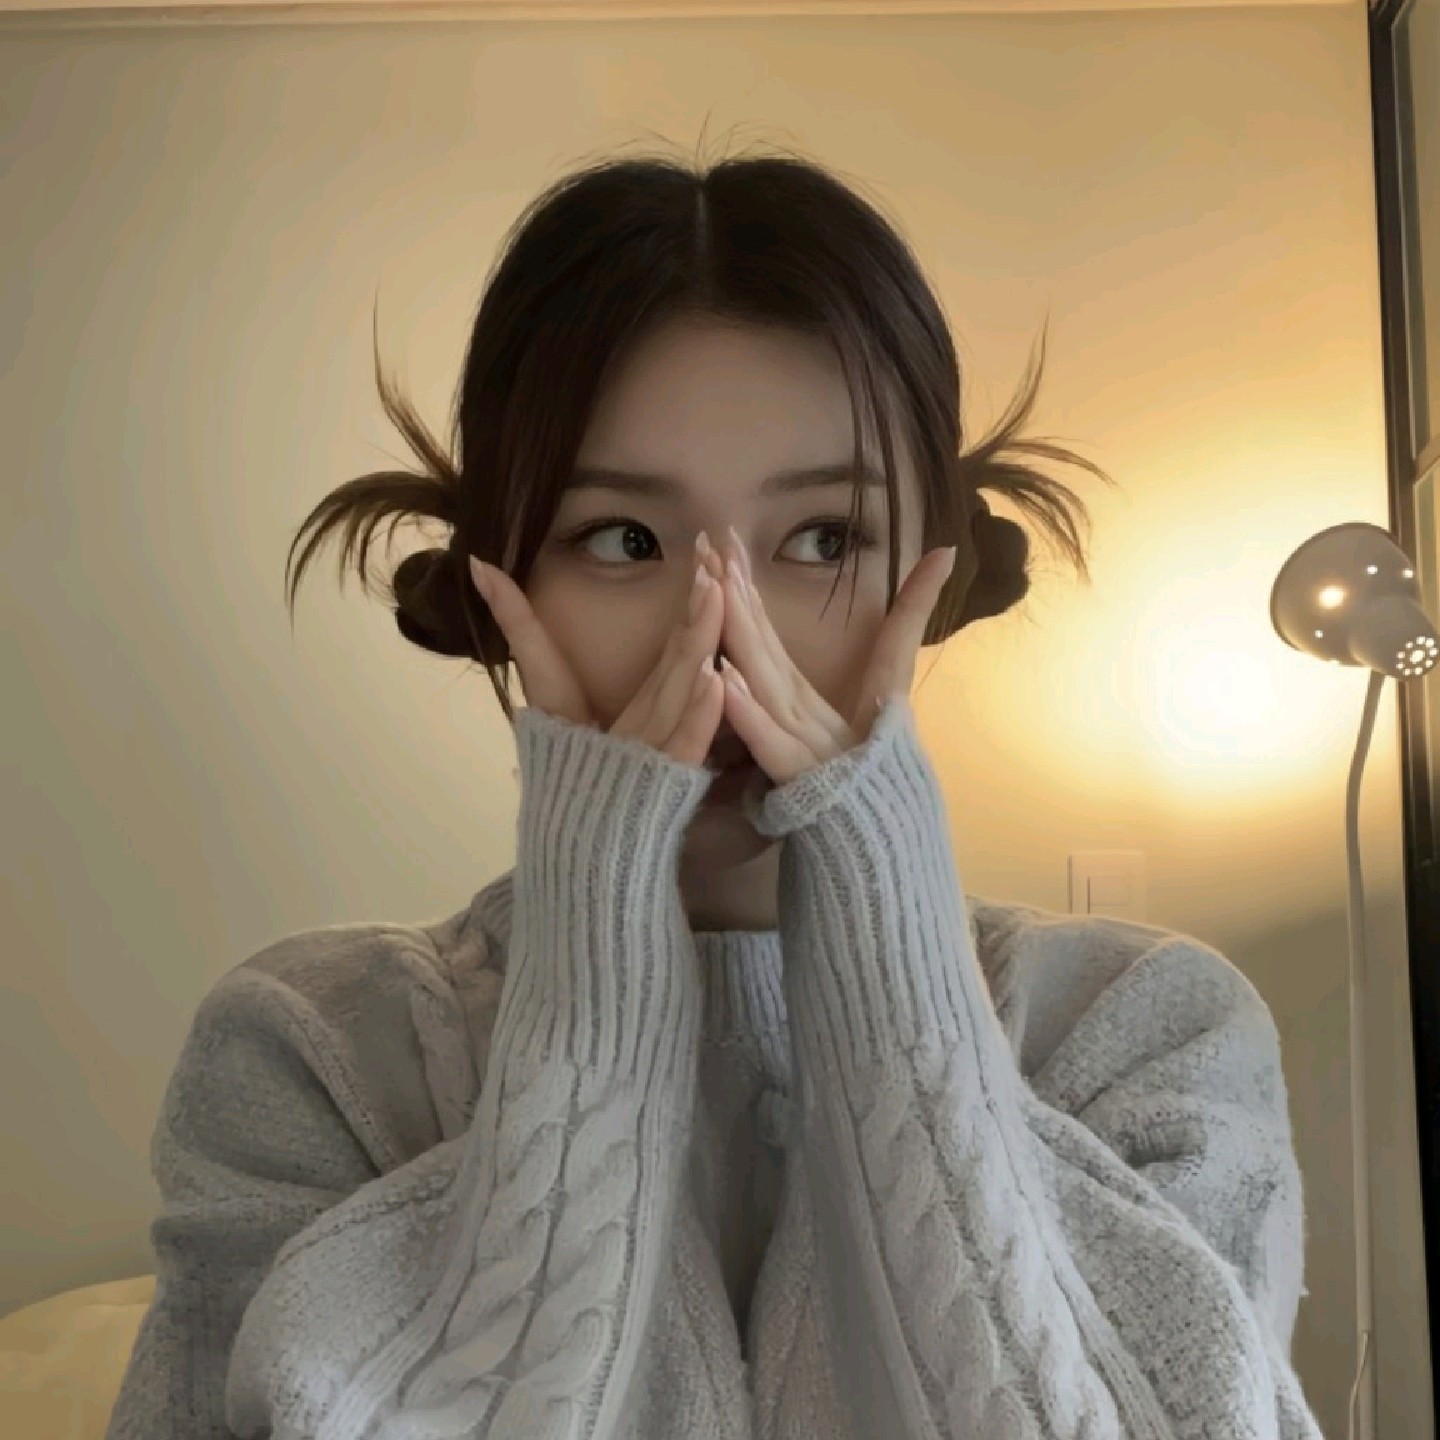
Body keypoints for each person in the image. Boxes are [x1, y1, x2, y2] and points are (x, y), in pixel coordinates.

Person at [105, 131, 1324, 1439]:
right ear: (500, 588)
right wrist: (589, 1000)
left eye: (825, 538)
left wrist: (892, 972)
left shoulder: (1142, 1028)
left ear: (933, 578)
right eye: (623, 539)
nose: (728, 641)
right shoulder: (312, 1050)